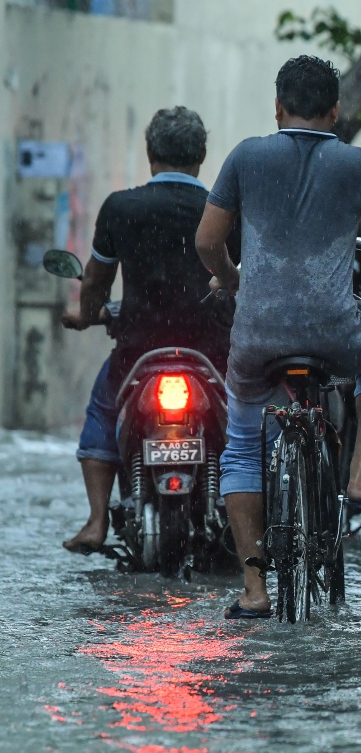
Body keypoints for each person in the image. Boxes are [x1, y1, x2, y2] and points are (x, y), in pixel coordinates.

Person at [195, 55, 361, 620]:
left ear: (277, 107)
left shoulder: (246, 156)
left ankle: (254, 589)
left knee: (243, 445)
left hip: (258, 336)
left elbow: (206, 241)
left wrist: (231, 277)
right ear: (336, 111)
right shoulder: (359, 164)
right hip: (336, 333)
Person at [62, 106, 235, 555]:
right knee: (251, 423)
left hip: (138, 350)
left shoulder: (121, 207)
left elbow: (96, 280)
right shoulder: (224, 210)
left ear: (149, 152)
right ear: (201, 155)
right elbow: (240, 280)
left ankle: (97, 521)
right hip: (214, 352)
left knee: (102, 411)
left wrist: (87, 314)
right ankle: (249, 521)